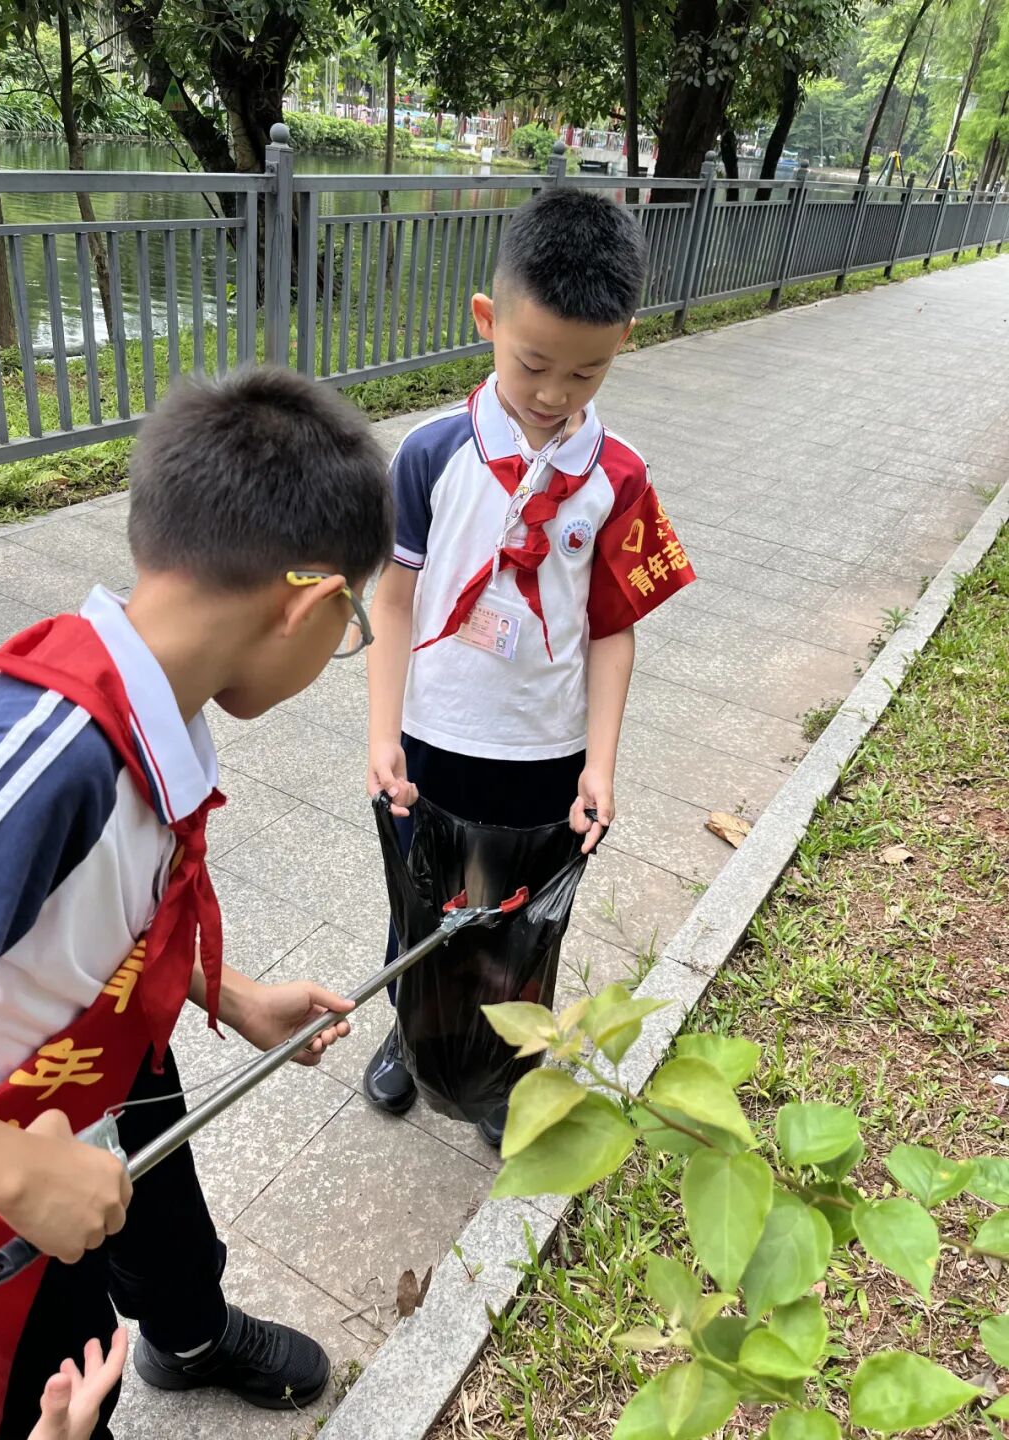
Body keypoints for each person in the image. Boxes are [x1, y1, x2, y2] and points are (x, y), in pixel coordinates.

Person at [0, 367, 393, 1438]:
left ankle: (189, 1335)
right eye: (352, 624)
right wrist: (16, 1173)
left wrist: (232, 995)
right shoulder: (47, 757)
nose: (343, 646)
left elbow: (101, 914)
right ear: (309, 602)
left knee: (163, 1220)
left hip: (102, 1049)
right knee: (59, 1374)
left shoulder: (155, 699)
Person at [364, 187, 695, 1145]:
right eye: (534, 363)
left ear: (623, 342)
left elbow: (612, 629)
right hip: (434, 737)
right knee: (423, 899)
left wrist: (600, 764)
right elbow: (394, 598)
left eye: (587, 372)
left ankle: (505, 1068)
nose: (554, 394)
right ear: (488, 319)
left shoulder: (619, 476)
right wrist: (382, 733)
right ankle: (410, 1031)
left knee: (518, 923)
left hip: (545, 751)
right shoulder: (430, 454)